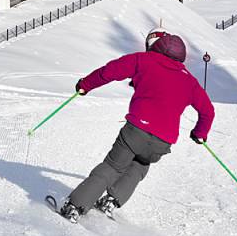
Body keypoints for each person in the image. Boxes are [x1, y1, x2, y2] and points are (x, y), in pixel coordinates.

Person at [58, 30, 214, 221]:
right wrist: (200, 133)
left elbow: (110, 71)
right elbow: (208, 110)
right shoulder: (189, 80)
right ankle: (111, 201)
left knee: (113, 166)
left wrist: (85, 84)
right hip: (162, 142)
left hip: (137, 129)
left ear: (156, 47)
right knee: (139, 166)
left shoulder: (144, 60)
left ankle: (75, 206)